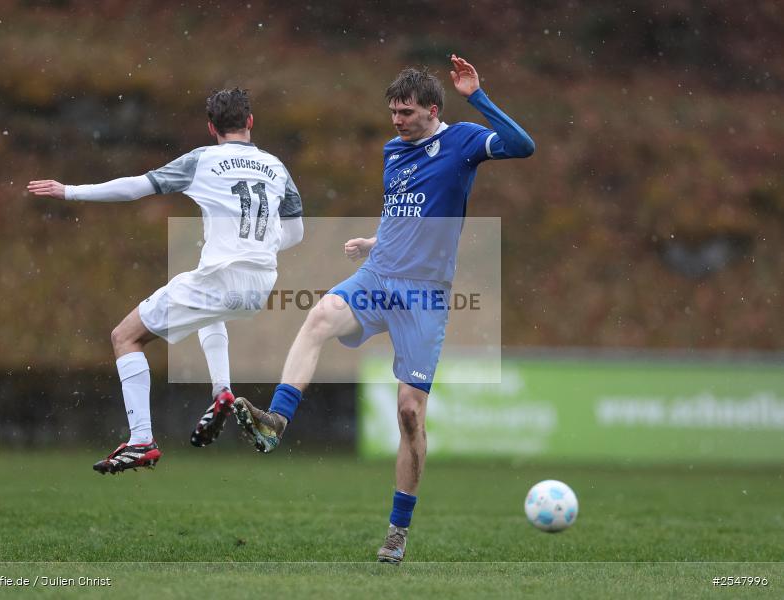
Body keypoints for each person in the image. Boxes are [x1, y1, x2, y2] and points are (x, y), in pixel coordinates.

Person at [231, 55, 534, 563]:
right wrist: (375, 242)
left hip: (424, 295)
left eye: (406, 112)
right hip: (379, 277)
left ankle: (397, 531)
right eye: (393, 111)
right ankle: (276, 421)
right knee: (318, 317)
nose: (397, 120)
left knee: (409, 414)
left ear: (433, 110)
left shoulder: (461, 141)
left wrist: (477, 97)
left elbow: (523, 146)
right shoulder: (394, 150)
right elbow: (407, 212)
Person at [27, 88, 303, 474]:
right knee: (210, 312)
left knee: (125, 337)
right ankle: (222, 391)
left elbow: (136, 186)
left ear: (211, 127)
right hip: (260, 284)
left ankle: (141, 439)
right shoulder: (276, 167)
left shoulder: (202, 160)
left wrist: (70, 191)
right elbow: (296, 233)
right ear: (250, 122)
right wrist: (261, 246)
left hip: (220, 278)